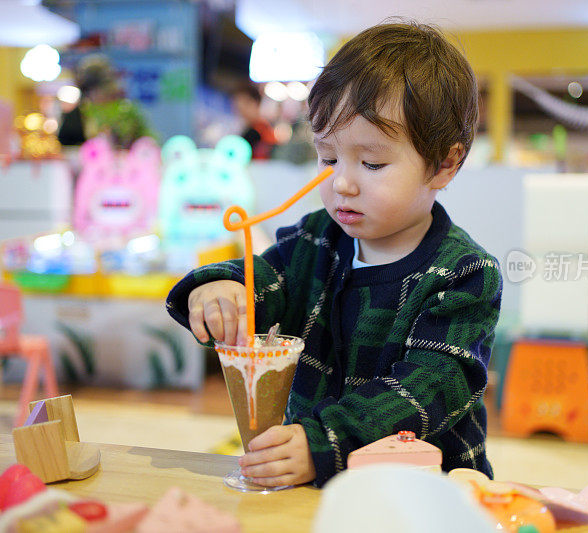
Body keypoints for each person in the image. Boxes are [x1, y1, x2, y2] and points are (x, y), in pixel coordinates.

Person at [166, 22, 501, 488]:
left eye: (373, 163)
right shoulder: (316, 239)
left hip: (429, 490)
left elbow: (428, 388)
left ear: (444, 164)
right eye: (328, 158)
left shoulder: (465, 272)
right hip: (318, 477)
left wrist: (325, 441)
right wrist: (220, 290)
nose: (342, 182)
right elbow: (264, 280)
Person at [231, 83, 276, 159]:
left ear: (256, 103)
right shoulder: (248, 129)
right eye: (237, 104)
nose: (241, 109)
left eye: (246, 103)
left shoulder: (259, 130)